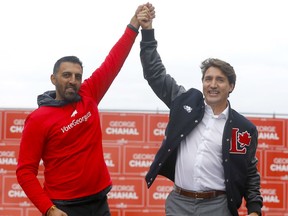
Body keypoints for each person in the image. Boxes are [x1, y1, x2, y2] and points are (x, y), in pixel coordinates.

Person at [16, 3, 155, 216]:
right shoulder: (38, 119)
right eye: (67, 75)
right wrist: (48, 209)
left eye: (77, 76)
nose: (73, 81)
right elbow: (25, 171)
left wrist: (134, 24)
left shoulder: (88, 94)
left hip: (99, 201)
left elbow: (114, 61)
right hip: (64, 208)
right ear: (53, 79)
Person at [137, 12, 263, 216]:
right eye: (208, 79)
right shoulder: (185, 103)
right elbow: (155, 74)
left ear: (231, 86)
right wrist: (148, 33)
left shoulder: (243, 128)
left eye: (220, 80)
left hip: (218, 206)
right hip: (178, 203)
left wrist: (255, 209)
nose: (213, 85)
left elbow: (250, 172)